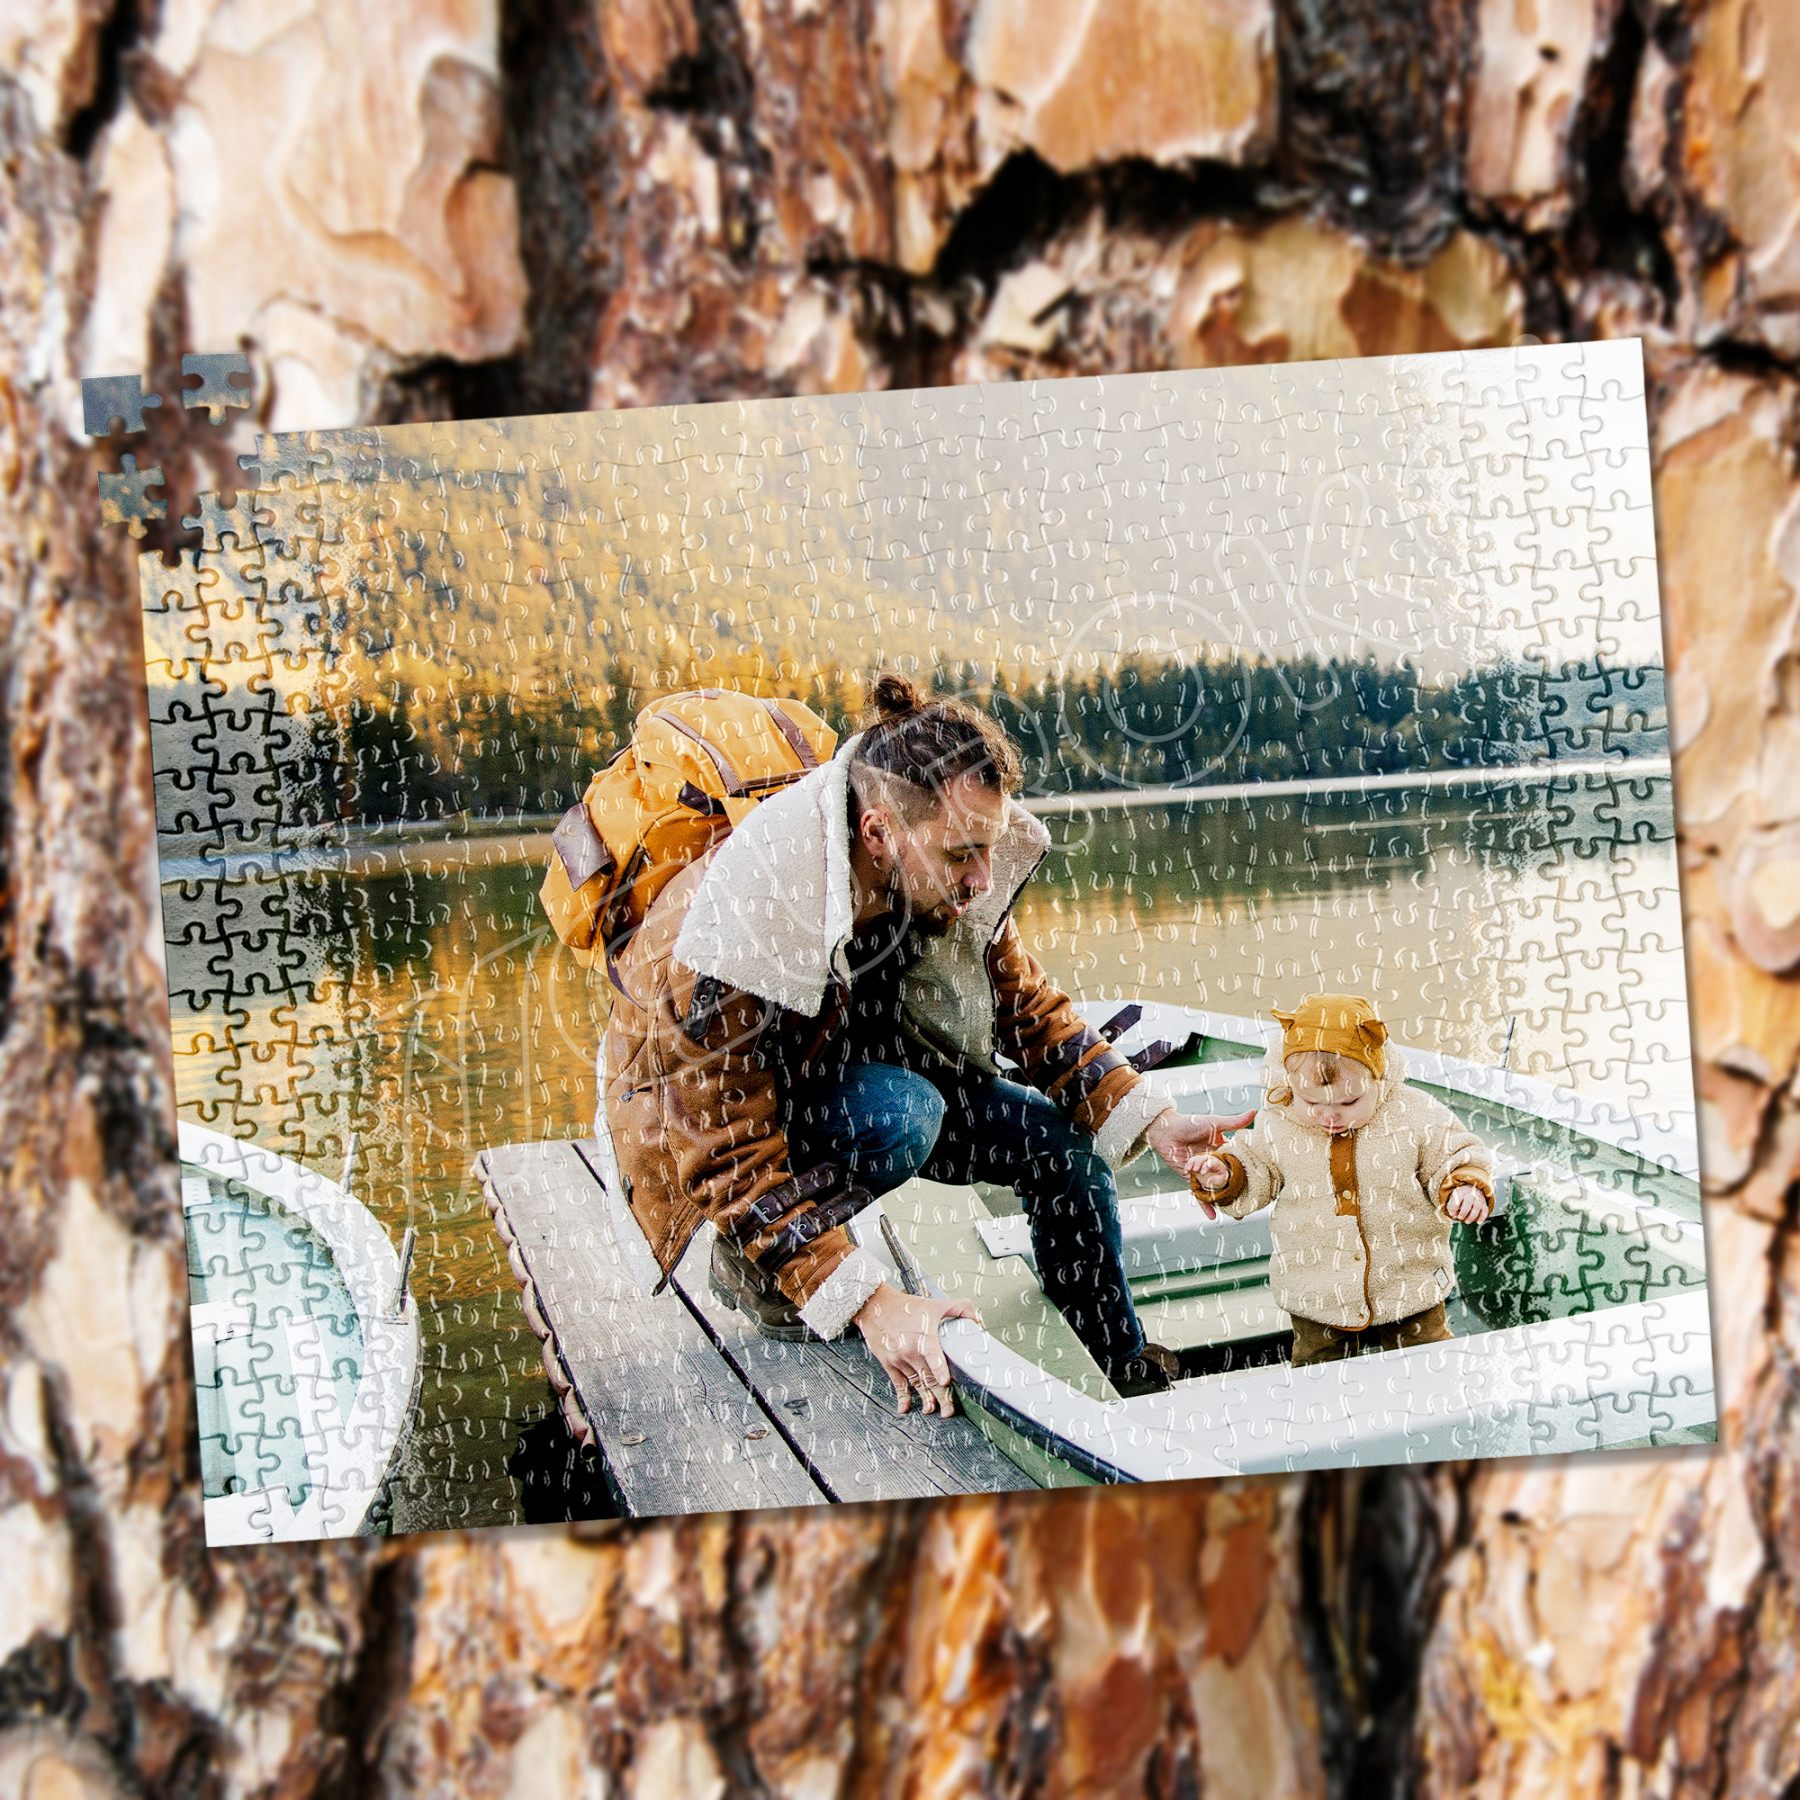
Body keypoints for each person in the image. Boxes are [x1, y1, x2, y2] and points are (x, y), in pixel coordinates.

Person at [600, 675, 1252, 1414]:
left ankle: (1118, 1367)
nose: (983, 878)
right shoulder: (732, 923)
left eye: (989, 849)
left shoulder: (944, 864)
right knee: (903, 1115)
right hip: (715, 1123)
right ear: (878, 833)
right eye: (962, 856)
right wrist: (868, 1302)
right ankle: (756, 1269)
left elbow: (1028, 1009)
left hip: (853, 1061)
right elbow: (722, 1150)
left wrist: (1154, 1120)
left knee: (1063, 1149)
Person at [1185, 992, 1494, 1366]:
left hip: (1409, 1280)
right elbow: (1255, 1168)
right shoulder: (1279, 1120)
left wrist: (1465, 1186)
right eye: (1312, 1102)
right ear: (1290, 1083)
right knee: (1318, 1364)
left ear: (1378, 1076)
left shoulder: (1415, 1114)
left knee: (1427, 1356)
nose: (1329, 1116)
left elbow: (1455, 1153)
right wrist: (1223, 1175)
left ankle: (1436, 1393)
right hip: (1317, 1286)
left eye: (1348, 1103)